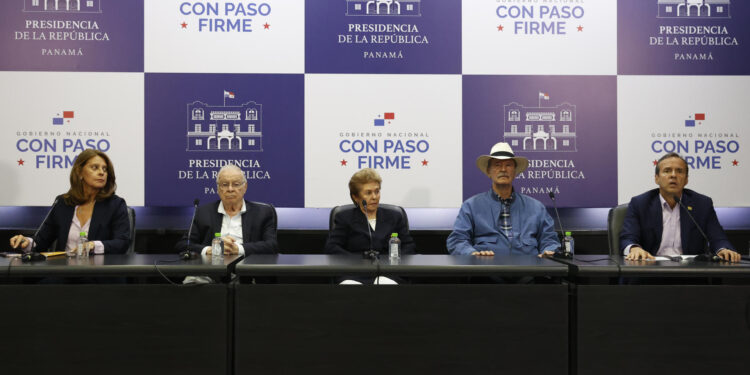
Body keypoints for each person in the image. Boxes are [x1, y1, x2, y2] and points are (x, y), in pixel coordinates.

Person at [620, 152, 740, 262]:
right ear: (656, 178)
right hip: (650, 269)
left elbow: (718, 238)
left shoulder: (702, 204)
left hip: (690, 271)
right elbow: (628, 237)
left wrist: (723, 249)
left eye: (679, 171)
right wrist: (634, 248)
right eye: (667, 171)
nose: (673, 175)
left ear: (686, 179)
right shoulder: (640, 203)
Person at [9, 149, 131, 254]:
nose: (102, 172)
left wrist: (93, 245)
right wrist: (26, 242)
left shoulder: (115, 204)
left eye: (105, 169)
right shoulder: (62, 203)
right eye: (95, 167)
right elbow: (41, 242)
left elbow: (122, 243)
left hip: (99, 273)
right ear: (79, 172)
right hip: (64, 272)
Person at [447, 142, 559, 257]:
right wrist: (472, 254)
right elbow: (457, 241)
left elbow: (549, 240)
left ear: (515, 172)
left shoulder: (536, 207)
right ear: (489, 172)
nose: (503, 169)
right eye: (497, 165)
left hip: (529, 272)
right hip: (486, 271)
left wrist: (549, 251)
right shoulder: (471, 206)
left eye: (508, 165)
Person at [175, 164, 278, 256]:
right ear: (218, 189)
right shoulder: (203, 212)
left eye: (236, 184)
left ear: (245, 187)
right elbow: (183, 245)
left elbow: (272, 246)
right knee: (191, 279)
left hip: (247, 273)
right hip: (209, 272)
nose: (230, 189)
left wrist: (238, 249)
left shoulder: (262, 213)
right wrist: (210, 250)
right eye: (224, 185)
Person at [325, 168, 415, 256]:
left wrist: (392, 261)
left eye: (377, 191)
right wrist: (355, 262)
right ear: (356, 197)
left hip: (388, 268)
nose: (374, 197)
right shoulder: (345, 217)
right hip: (357, 268)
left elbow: (409, 246)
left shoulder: (395, 216)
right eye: (368, 193)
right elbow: (332, 247)